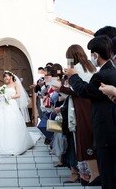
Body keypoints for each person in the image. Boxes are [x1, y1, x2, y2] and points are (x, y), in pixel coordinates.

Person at [65, 36, 116, 189]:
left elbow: (84, 91)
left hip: (105, 130)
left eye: (92, 54)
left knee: (107, 174)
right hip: (111, 127)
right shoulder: (112, 72)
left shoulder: (102, 75)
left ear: (96, 55)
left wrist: (73, 76)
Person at [53, 45, 100, 185]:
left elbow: (78, 90)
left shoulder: (78, 68)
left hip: (83, 107)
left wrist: (61, 88)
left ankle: (93, 175)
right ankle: (91, 174)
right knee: (90, 138)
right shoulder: (90, 67)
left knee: (85, 139)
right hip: (90, 106)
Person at [0, 70, 41, 155]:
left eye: (7, 76)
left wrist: (9, 96)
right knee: (2, 123)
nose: (6, 78)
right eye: (4, 77)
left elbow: (18, 95)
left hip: (12, 105)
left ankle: (15, 144)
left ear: (11, 76)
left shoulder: (16, 84)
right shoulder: (3, 86)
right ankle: (2, 144)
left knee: (12, 123)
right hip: (2, 106)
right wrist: (0, 95)